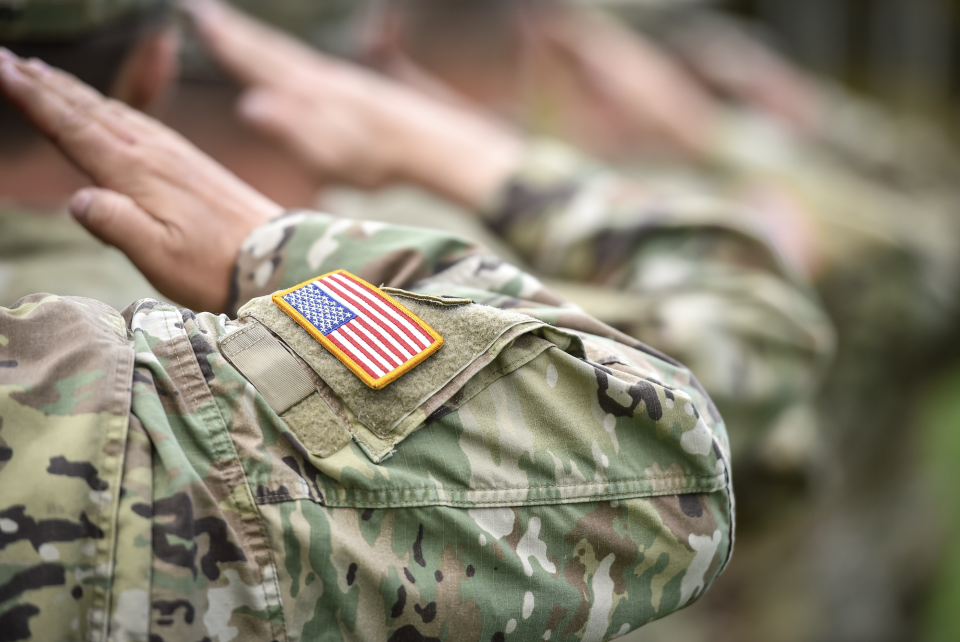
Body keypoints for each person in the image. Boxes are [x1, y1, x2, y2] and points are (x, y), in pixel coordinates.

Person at [0, 42, 737, 642]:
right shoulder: (131, 384)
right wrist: (271, 251)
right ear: (149, 66)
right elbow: (677, 456)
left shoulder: (72, 371)